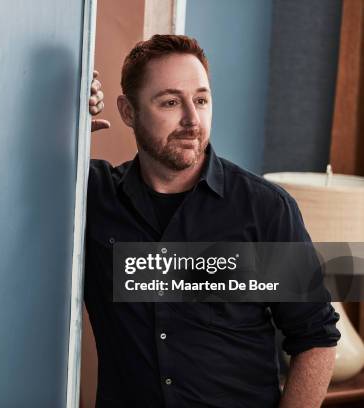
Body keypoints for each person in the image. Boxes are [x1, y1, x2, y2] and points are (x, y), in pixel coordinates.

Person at [85, 34, 340, 408]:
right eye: (170, 102)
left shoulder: (264, 210)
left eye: (201, 100)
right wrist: (69, 133)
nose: (192, 119)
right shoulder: (92, 197)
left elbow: (315, 338)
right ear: (127, 111)